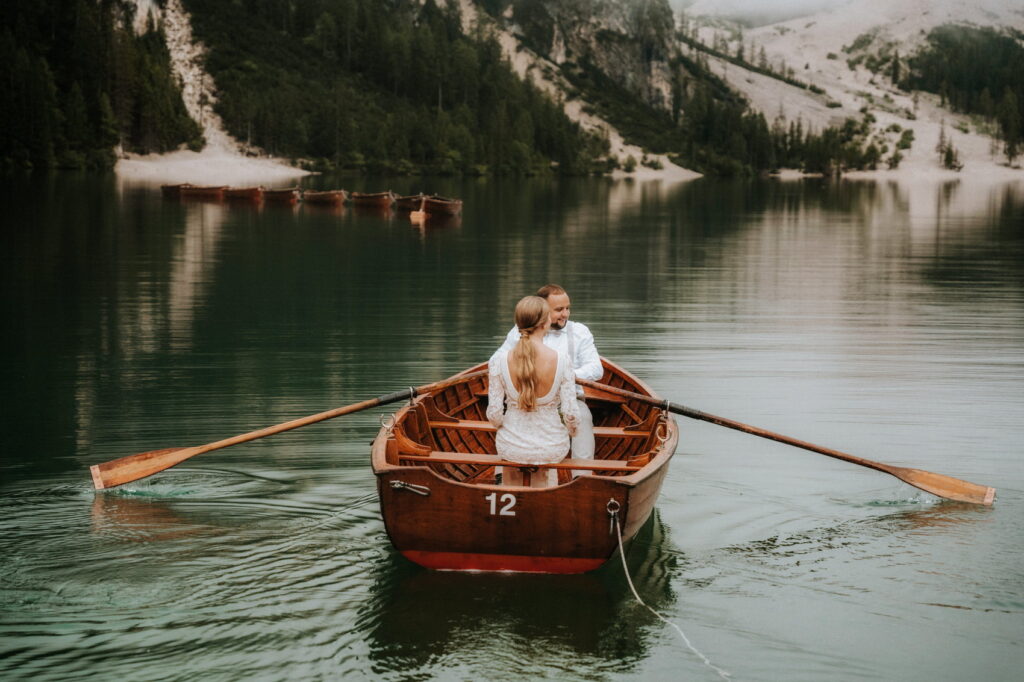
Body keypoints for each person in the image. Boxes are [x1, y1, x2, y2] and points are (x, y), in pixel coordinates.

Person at [491, 284, 602, 476]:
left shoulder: (580, 331)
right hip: (525, 398)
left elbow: (596, 368)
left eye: (567, 308)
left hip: (570, 399)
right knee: (514, 417)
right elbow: (496, 359)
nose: (565, 314)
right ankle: (500, 475)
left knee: (582, 417)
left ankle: (582, 477)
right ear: (542, 312)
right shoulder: (519, 331)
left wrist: (564, 377)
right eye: (559, 310)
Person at [486, 296, 579, 488]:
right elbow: (571, 415)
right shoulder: (562, 360)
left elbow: (494, 415)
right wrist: (571, 431)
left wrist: (510, 429)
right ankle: (545, 501)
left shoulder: (498, 361)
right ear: (546, 323)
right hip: (551, 447)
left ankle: (510, 497)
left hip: (511, 446)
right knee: (546, 467)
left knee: (510, 458)